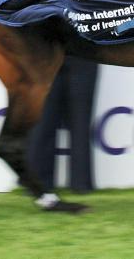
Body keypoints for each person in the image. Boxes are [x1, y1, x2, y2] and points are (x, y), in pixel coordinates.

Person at [26, 56, 98, 194]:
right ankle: (81, 183)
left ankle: (40, 181)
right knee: (80, 123)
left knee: (43, 122)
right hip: (84, 52)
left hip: (47, 52)